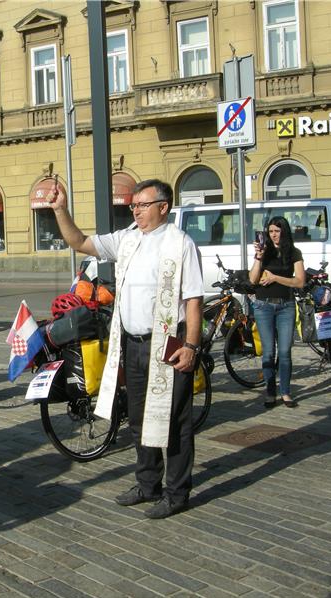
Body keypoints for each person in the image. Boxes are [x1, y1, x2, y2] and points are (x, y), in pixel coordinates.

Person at [46, 178, 203, 519]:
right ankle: (148, 484)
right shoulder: (128, 239)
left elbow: (193, 300)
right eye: (133, 205)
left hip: (167, 344)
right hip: (131, 343)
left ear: (163, 207)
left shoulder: (181, 244)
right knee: (138, 417)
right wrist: (60, 209)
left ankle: (177, 493)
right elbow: (80, 242)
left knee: (174, 421)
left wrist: (192, 345)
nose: (135, 210)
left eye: (142, 205)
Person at [249, 216, 305, 408]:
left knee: (284, 351)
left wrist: (275, 278)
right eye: (271, 231)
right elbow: (253, 279)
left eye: (277, 231)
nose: (274, 235)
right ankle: (270, 392)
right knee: (268, 352)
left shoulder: (294, 253)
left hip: (286, 306)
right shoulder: (265, 252)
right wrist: (258, 257)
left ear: (285, 232)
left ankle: (286, 392)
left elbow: (300, 281)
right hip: (263, 305)